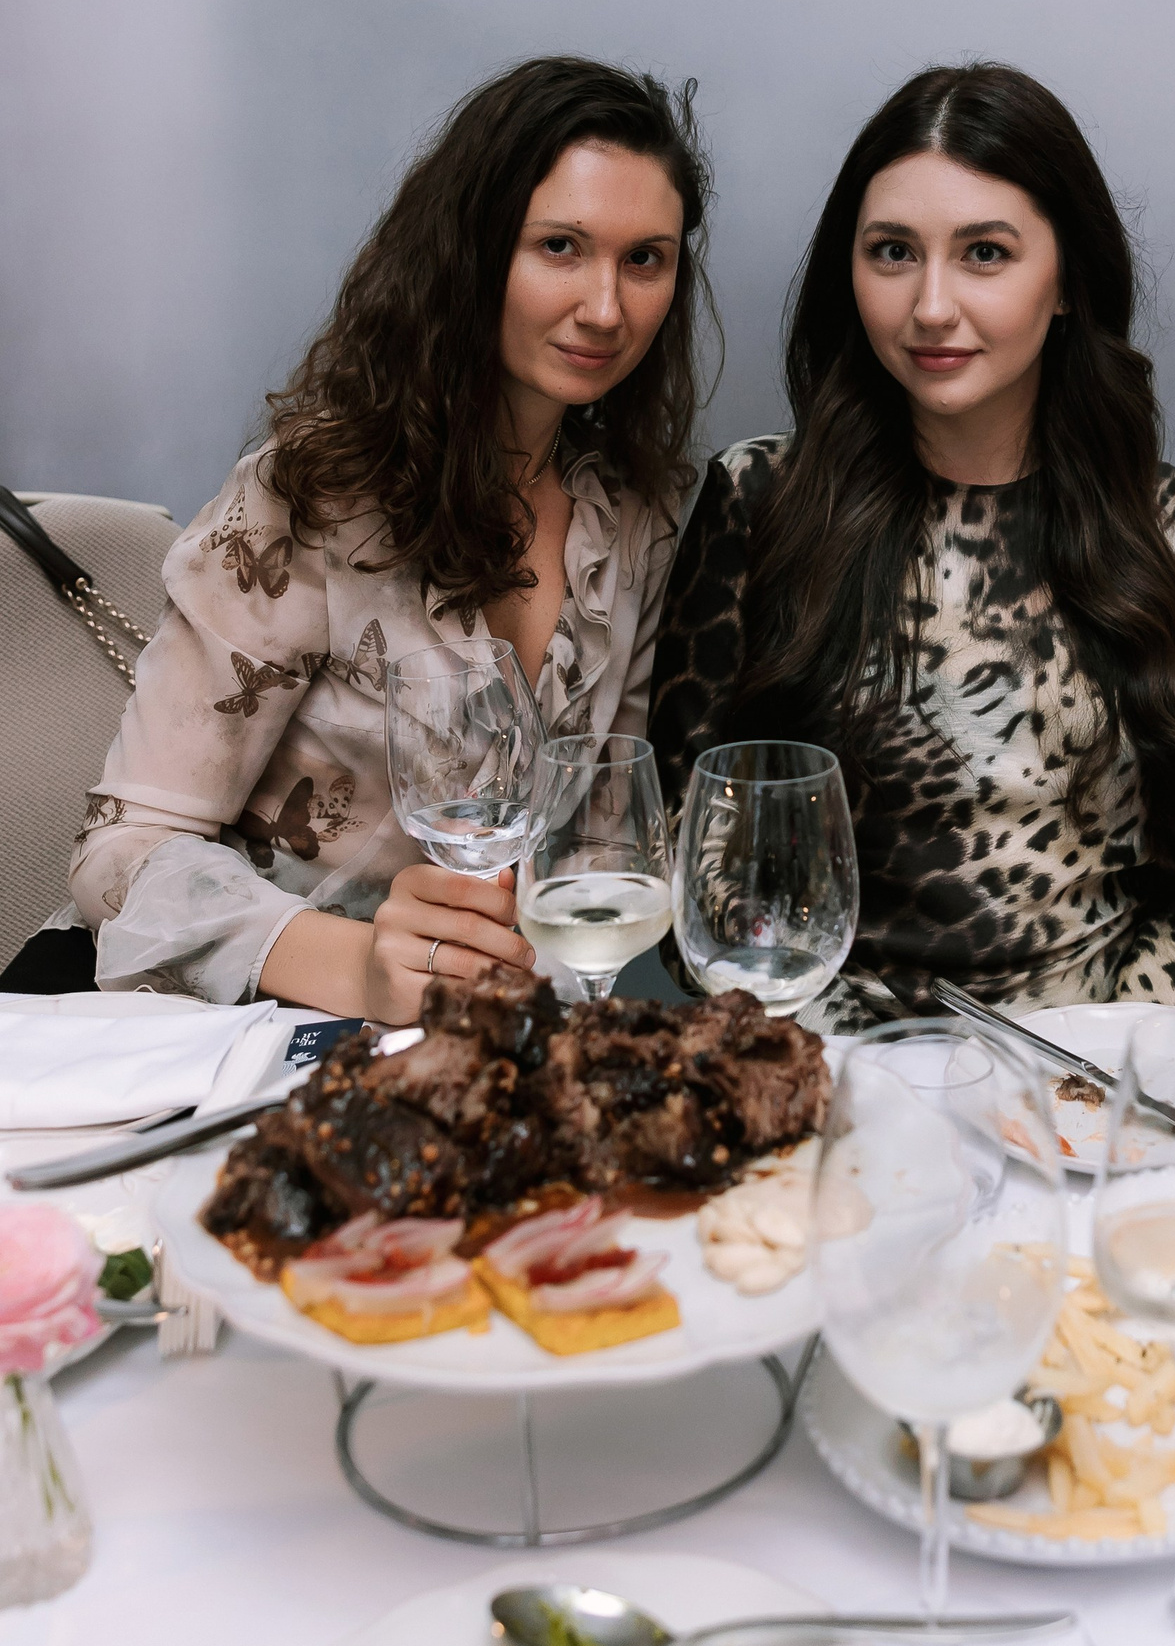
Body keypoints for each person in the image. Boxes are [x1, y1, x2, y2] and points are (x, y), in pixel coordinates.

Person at [68, 56, 712, 1020]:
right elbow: (118, 854)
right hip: (256, 1028)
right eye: (560, 247)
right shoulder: (312, 495)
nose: (607, 308)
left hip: (481, 1032)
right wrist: (358, 966)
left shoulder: (635, 516)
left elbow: (595, 847)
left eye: (645, 260)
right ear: (471, 251)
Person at [647, 61, 1175, 1026]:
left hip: (1089, 1072)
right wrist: (853, 1059)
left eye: (985, 253)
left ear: (1068, 282)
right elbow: (686, 854)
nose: (931, 305)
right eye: (893, 252)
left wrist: (1119, 1059)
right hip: (826, 1058)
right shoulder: (759, 500)